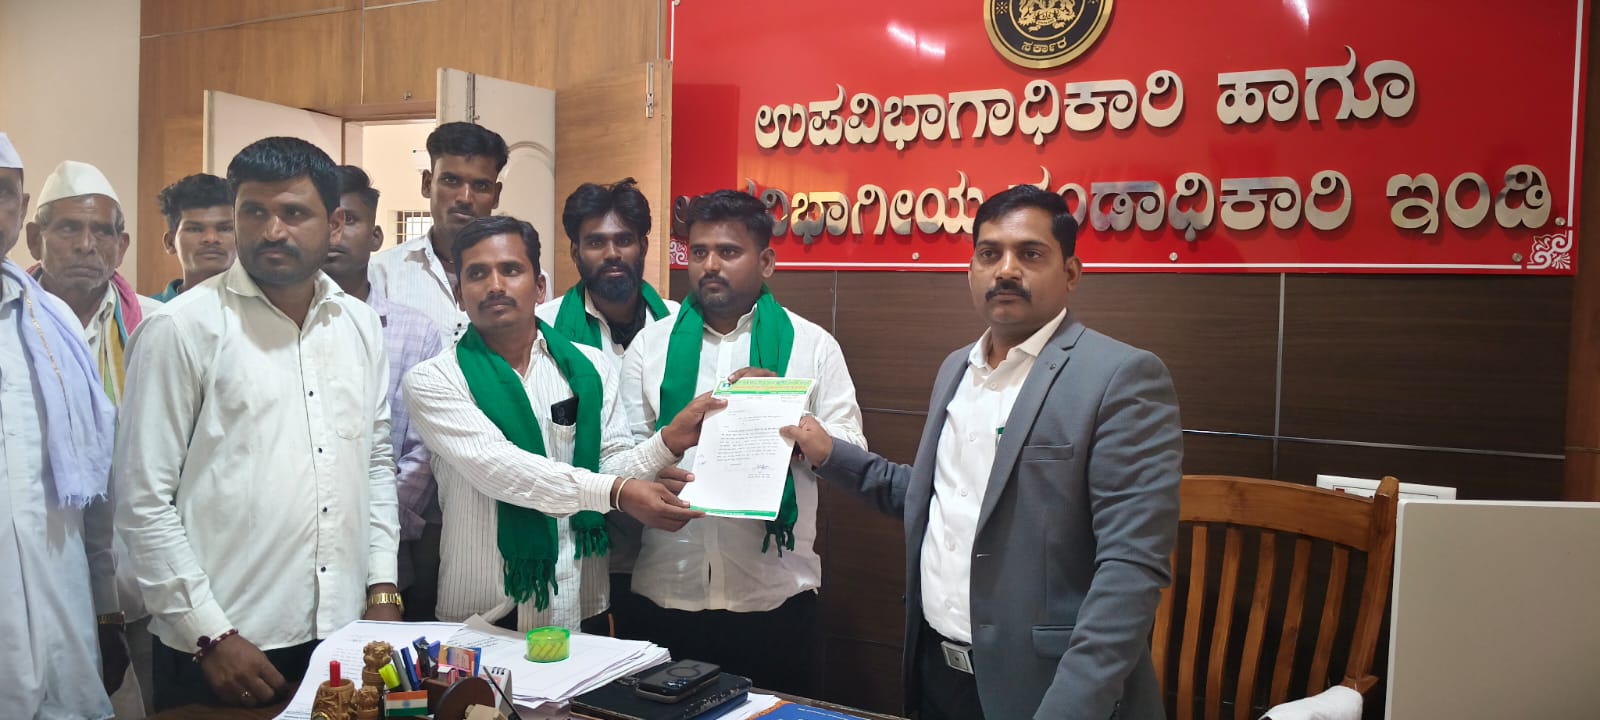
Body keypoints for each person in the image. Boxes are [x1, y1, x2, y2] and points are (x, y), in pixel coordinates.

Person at [782, 184, 1183, 720]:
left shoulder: (1121, 378)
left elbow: (1130, 569)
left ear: (1071, 273)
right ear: (971, 270)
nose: (1006, 270)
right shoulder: (957, 369)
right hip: (937, 674)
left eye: (1030, 254)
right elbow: (933, 498)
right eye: (990, 253)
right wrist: (829, 452)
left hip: (1045, 690)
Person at [115, 137, 401, 711]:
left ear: (335, 223)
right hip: (221, 649)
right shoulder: (181, 329)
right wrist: (209, 633)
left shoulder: (359, 325)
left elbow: (373, 462)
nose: (273, 231)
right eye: (254, 211)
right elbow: (142, 500)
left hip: (342, 632)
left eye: (293, 213)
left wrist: (383, 588)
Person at [404, 215, 718, 633]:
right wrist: (618, 492)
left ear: (539, 287)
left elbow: (608, 464)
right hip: (484, 611)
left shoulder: (590, 368)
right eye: (477, 274)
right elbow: (502, 469)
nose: (495, 285)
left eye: (510, 270)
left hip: (579, 601)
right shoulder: (434, 380)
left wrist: (668, 442)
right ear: (460, 295)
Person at [618, 189, 865, 694]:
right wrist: (664, 449)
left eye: (728, 252)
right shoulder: (651, 345)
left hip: (775, 598)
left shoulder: (813, 345)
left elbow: (851, 451)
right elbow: (614, 461)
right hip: (666, 592)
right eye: (700, 251)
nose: (710, 265)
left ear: (766, 261)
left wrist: (788, 423)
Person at [0, 131, 125, 720]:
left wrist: (104, 608)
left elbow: (92, 486)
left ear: (19, 208)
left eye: (2, 192)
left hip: (59, 596)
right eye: (69, 228)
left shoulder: (50, 324)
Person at [535, 177, 678, 638]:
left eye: (624, 240)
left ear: (643, 246)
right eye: (596, 242)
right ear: (575, 251)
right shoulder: (544, 332)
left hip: (668, 551)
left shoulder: (680, 327)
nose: (612, 253)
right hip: (580, 554)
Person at [329, 164, 445, 620]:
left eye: (349, 221)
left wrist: (374, 527)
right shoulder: (279, 328)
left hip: (389, 554)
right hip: (289, 558)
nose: (336, 235)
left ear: (376, 236)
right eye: (327, 221)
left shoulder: (415, 330)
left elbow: (422, 449)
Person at [24, 159, 162, 402]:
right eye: (69, 228)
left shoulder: (155, 325)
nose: (86, 245)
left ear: (121, 247)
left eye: (102, 231)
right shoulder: (8, 319)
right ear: (35, 240)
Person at [370, 121, 507, 345]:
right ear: (427, 184)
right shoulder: (382, 273)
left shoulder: (523, 279)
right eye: (451, 181)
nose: (465, 198)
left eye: (481, 186)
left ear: (496, 195)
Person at [152, 173, 236, 301]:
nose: (211, 238)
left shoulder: (262, 308)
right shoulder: (146, 311)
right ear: (170, 243)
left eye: (224, 228)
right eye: (194, 229)